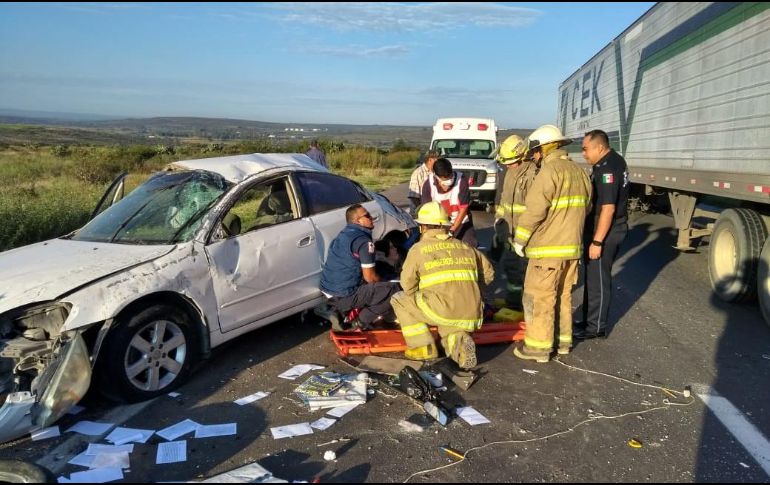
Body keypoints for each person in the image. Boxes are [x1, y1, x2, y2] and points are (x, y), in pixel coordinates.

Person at [511, 125, 592, 363]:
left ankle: (538, 348)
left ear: (545, 149)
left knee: (540, 298)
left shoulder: (549, 172)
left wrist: (520, 240)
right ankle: (562, 343)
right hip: (571, 249)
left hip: (547, 250)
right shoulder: (580, 172)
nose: (534, 156)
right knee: (563, 296)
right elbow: (586, 207)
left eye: (535, 151)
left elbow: (535, 211)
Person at [391, 202, 495, 369]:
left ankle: (423, 346)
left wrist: (425, 294)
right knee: (451, 328)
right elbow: (489, 274)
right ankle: (458, 345)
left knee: (399, 299)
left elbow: (407, 285)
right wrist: (474, 291)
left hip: (441, 308)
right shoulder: (465, 246)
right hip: (472, 310)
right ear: (446, 225)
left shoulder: (419, 249)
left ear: (423, 227)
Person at [574, 129, 630, 340]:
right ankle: (588, 318)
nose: (584, 154)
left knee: (598, 279)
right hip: (603, 228)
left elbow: (608, 208)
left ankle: (595, 327)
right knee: (592, 277)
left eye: (586, 149)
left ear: (600, 147)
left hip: (606, 231)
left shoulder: (608, 169)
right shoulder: (609, 161)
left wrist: (597, 241)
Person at [320, 204, 399, 329]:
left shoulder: (342, 236)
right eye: (367, 215)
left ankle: (337, 308)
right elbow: (370, 278)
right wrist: (385, 285)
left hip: (328, 287)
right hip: (344, 293)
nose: (371, 217)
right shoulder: (364, 242)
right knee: (394, 289)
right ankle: (358, 323)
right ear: (358, 221)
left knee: (377, 280)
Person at [492, 134, 539, 310]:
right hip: (510, 233)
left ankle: (529, 307)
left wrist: (526, 235)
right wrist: (499, 222)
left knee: (527, 273)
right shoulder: (510, 174)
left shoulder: (532, 174)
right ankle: (513, 303)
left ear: (521, 156)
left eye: (510, 162)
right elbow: (504, 202)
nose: (507, 166)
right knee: (511, 268)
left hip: (527, 235)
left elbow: (536, 208)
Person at [421, 157, 477, 247]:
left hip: (461, 223)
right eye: (445, 179)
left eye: (450, 177)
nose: (448, 180)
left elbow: (463, 209)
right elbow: (426, 211)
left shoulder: (461, 181)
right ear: (436, 175)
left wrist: (452, 230)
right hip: (439, 225)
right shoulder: (428, 185)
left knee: (469, 247)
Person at [408, 150, 438, 215]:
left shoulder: (436, 172)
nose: (438, 162)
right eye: (437, 159)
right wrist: (422, 211)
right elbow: (414, 197)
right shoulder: (418, 173)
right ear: (430, 160)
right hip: (419, 209)